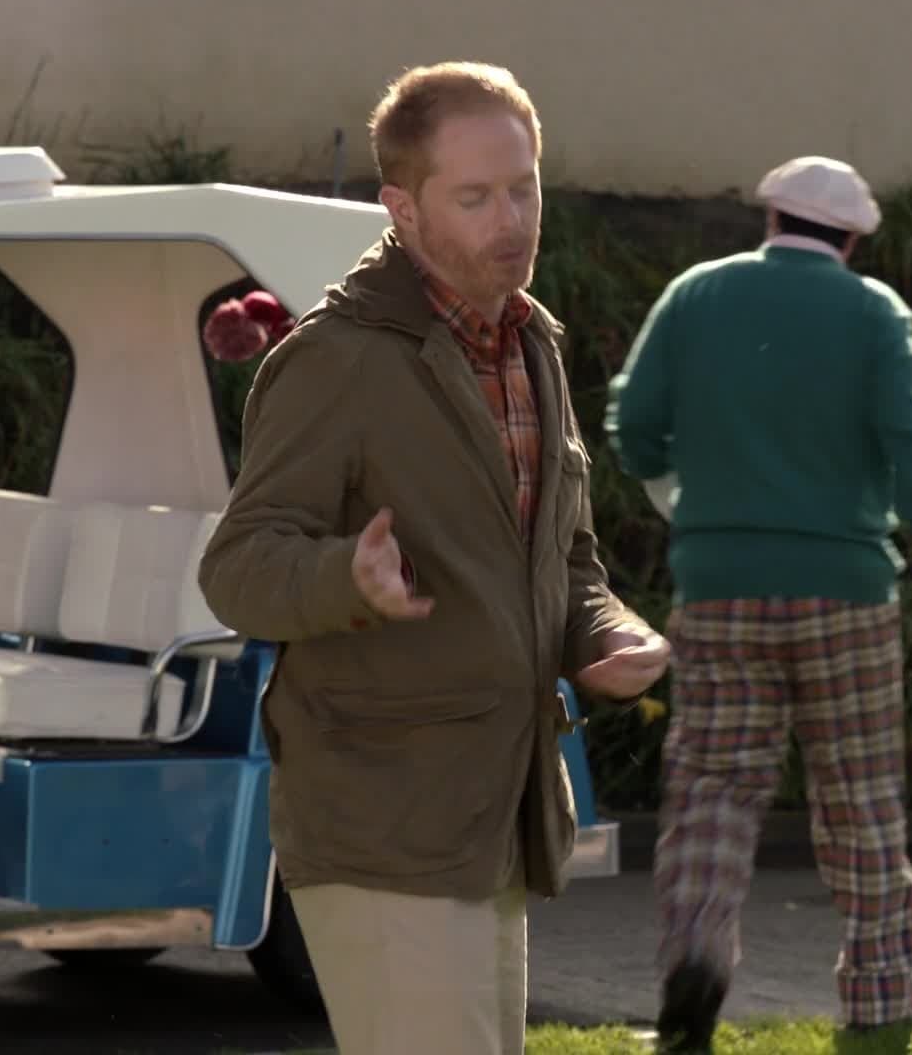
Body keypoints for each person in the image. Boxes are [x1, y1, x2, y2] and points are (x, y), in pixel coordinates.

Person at [196, 61, 670, 1055]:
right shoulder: (335, 359)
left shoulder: (530, 345)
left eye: (524, 188)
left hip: (495, 817)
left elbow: (565, 560)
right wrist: (347, 579)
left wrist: (602, 633)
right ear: (402, 209)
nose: (513, 220)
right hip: (381, 821)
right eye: (475, 197)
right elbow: (238, 567)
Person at [606, 155, 912, 1051]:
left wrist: (682, 487)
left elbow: (634, 427)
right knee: (860, 797)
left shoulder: (696, 294)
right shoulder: (873, 311)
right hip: (846, 592)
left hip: (718, 587)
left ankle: (695, 962)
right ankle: (880, 1000)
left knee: (714, 789)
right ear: (851, 239)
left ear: (770, 219)